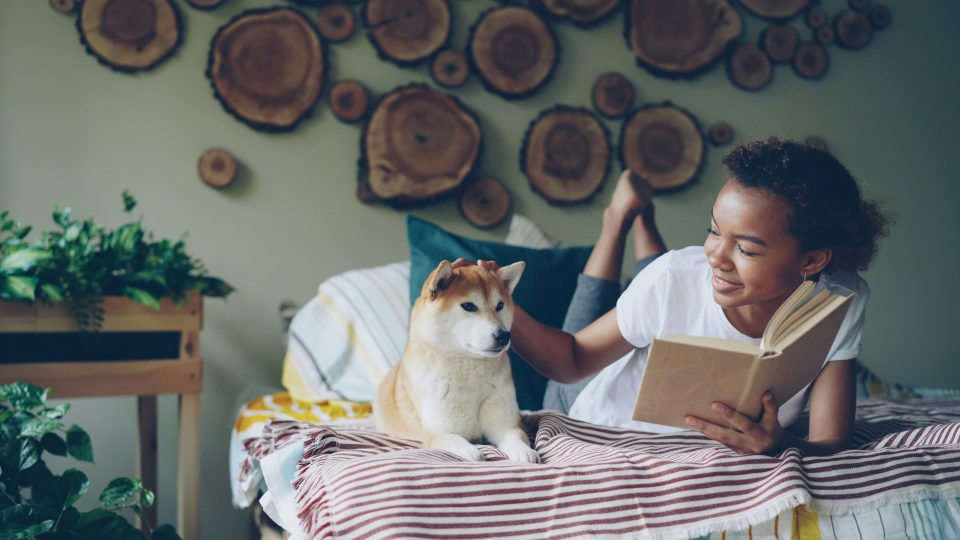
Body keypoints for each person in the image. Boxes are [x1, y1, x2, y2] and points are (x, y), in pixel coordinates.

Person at [457, 137, 891, 456]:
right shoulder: (676, 275)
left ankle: (642, 218)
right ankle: (620, 220)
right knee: (670, 278)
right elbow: (570, 362)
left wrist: (783, 445)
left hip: (667, 299)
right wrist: (498, 303)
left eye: (746, 248)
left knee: (677, 282)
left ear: (813, 260)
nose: (716, 255)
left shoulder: (839, 301)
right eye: (713, 230)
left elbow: (831, 443)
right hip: (587, 399)